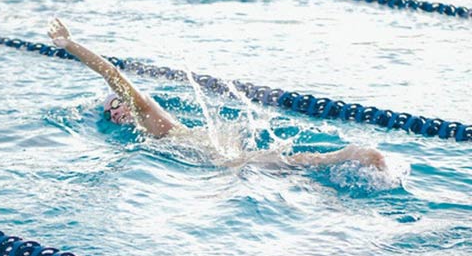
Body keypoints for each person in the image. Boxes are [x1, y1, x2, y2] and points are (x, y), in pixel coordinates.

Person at [47, 18, 386, 170]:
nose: (116, 112)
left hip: (213, 151)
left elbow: (112, 74)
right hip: (210, 149)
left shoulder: (145, 110)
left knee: (285, 167)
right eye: (110, 113)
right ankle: (345, 162)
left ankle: (349, 154)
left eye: (117, 104)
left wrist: (70, 45)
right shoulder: (137, 130)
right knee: (285, 172)